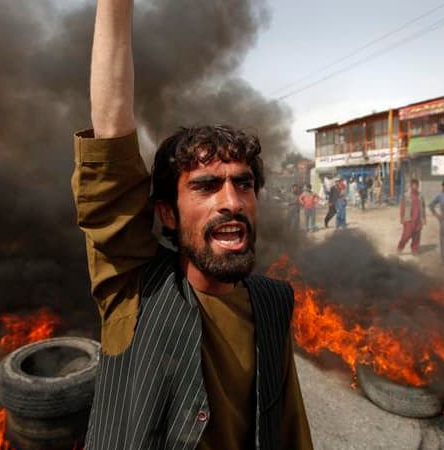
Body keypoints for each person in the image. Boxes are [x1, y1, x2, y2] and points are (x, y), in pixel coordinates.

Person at [73, 3, 312, 448]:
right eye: (206, 186)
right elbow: (110, 140)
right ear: (167, 212)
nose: (231, 201)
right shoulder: (132, 290)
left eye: (243, 184)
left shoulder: (276, 303)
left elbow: (289, 428)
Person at [397, 179, 426, 254]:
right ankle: (400, 248)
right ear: (411, 186)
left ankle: (414, 250)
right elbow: (402, 207)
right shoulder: (406, 195)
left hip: (418, 220)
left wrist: (424, 218)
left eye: (416, 185)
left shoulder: (420, 195)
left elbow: (423, 207)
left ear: (418, 186)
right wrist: (402, 218)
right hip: (409, 219)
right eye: (413, 185)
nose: (414, 187)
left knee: (416, 236)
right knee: (406, 236)